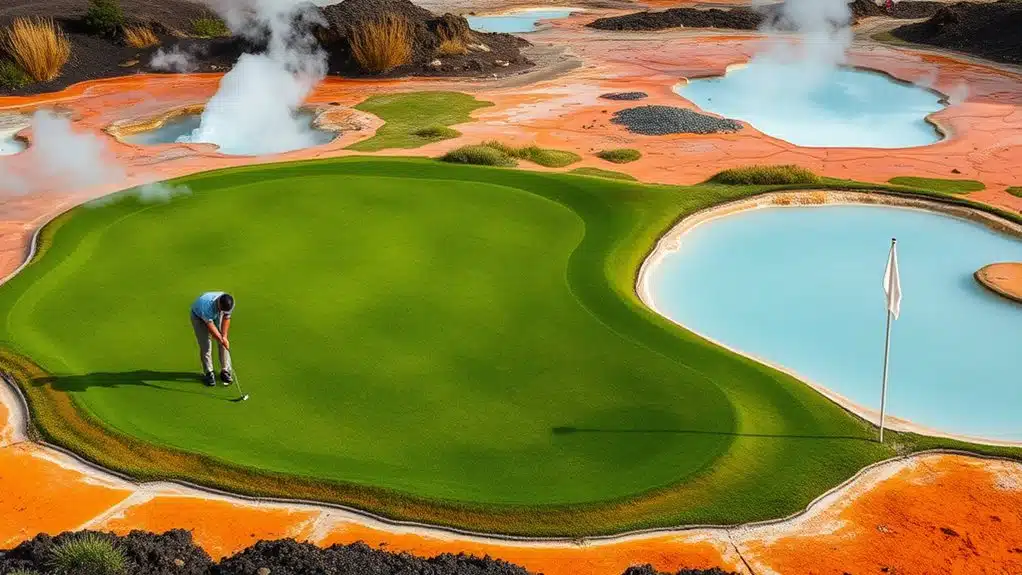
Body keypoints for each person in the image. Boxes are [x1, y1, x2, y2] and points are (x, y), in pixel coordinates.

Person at [190, 291, 234, 386]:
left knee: (223, 341)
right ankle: (209, 373)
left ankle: (225, 370)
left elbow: (226, 318)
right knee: (206, 345)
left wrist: (224, 337)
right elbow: (211, 327)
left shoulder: (229, 303)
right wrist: (220, 338)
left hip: (215, 314)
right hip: (198, 317)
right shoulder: (206, 306)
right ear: (218, 303)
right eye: (221, 309)